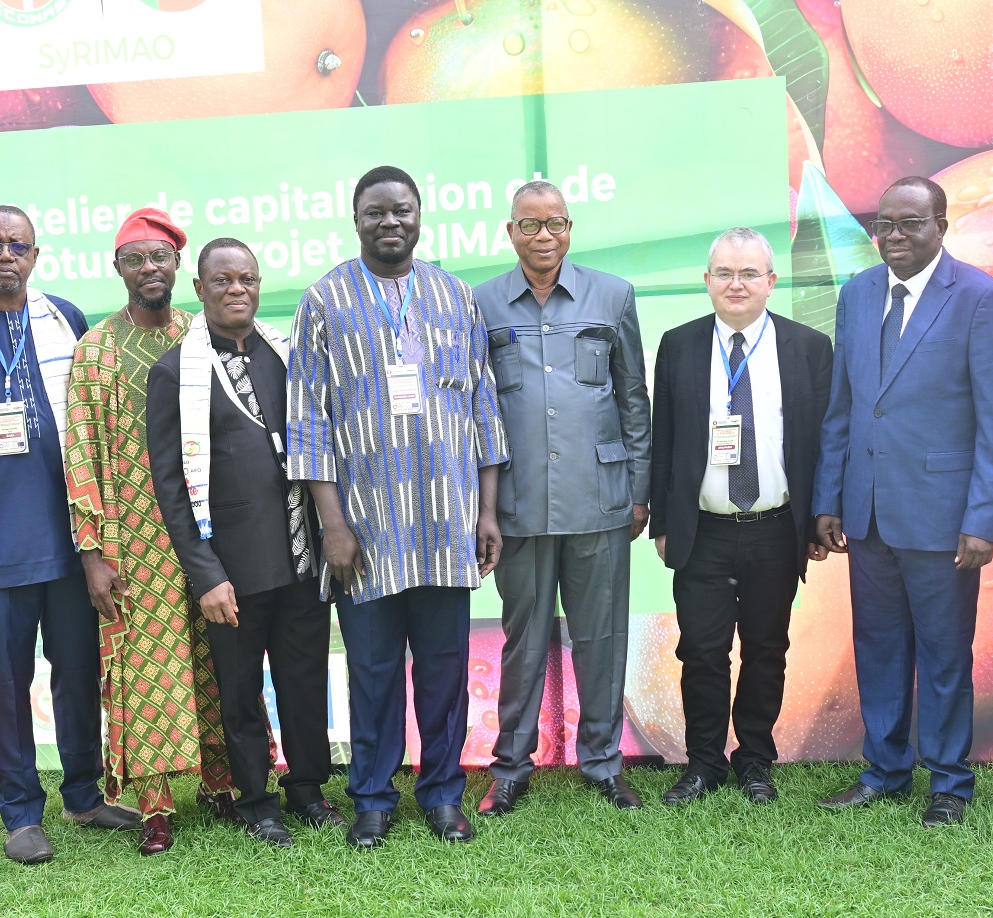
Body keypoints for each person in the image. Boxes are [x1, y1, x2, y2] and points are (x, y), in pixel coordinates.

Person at [287, 165, 509, 849]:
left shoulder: (455, 296)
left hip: (445, 524)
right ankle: (373, 799)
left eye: (402, 210)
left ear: (419, 215)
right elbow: (308, 421)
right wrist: (333, 526)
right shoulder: (324, 300)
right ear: (356, 220)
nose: (390, 221)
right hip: (366, 531)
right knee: (374, 672)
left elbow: (482, 406)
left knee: (444, 672)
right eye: (376, 212)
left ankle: (443, 794)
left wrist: (487, 513)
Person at [0, 205, 141, 864]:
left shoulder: (64, 319)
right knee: (7, 685)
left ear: (36, 256)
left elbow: (95, 429)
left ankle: (84, 794)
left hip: (70, 541)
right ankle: (20, 813)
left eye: (17, 245)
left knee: (79, 673)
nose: (5, 255)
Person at [812, 178, 993, 826]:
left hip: (942, 514)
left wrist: (983, 519)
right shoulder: (858, 293)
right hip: (867, 510)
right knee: (877, 645)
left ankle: (950, 782)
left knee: (943, 654)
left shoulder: (981, 298)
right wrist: (829, 496)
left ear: (941, 226)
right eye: (885, 225)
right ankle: (884, 771)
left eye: (911, 223)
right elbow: (844, 406)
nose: (895, 236)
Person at [146, 239, 342, 848]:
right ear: (199, 289)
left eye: (247, 279)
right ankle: (256, 801)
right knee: (240, 692)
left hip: (301, 555)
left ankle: (307, 788)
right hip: (232, 569)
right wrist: (205, 574)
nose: (237, 290)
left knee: (304, 681)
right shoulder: (175, 372)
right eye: (223, 280)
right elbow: (171, 485)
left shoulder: (287, 356)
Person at [64, 207, 246, 855]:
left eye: (159, 257)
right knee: (146, 670)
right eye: (135, 258)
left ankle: (226, 783)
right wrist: (92, 552)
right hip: (130, 537)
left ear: (178, 267)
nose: (149, 268)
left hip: (209, 528)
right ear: (118, 268)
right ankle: (155, 805)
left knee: (219, 658)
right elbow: (80, 451)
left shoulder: (201, 335)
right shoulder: (96, 349)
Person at [470, 180, 650, 815]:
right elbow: (474, 409)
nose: (543, 235)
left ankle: (603, 762)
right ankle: (511, 768)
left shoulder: (613, 295)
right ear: (510, 232)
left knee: (601, 636)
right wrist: (481, 506)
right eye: (530, 224)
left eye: (555, 223)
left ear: (570, 229)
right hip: (518, 503)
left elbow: (633, 398)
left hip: (599, 497)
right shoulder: (481, 303)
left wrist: (638, 489)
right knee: (523, 639)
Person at [649, 227, 833, 806]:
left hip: (775, 530)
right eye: (725, 273)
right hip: (702, 529)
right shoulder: (678, 345)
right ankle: (703, 762)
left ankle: (754, 760)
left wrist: (817, 520)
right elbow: (662, 440)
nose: (736, 284)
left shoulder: (808, 347)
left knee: (766, 649)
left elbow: (822, 444)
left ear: (771, 282)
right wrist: (662, 523)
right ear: (707, 281)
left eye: (749, 273)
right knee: (701, 652)